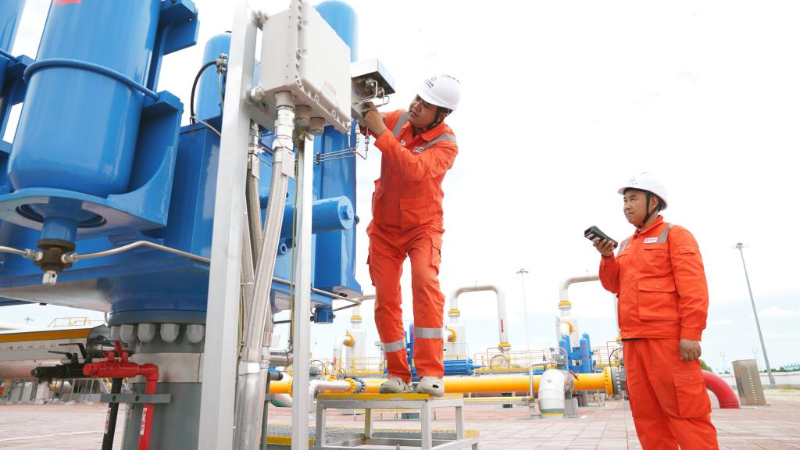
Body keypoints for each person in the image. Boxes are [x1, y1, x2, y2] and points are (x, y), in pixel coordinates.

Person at [592, 172, 719, 449]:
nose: (627, 206)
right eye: (625, 200)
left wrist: (691, 333)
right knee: (647, 417)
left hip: (667, 342)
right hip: (633, 342)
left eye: (633, 199)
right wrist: (607, 256)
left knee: (687, 414)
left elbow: (694, 287)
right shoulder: (625, 244)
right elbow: (614, 285)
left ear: (654, 202)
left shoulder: (676, 235)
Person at [361, 74, 461, 396]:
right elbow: (364, 120)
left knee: (424, 282)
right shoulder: (398, 119)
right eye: (417, 98)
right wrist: (360, 108)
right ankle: (398, 375)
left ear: (441, 114)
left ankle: (430, 373)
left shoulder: (446, 144)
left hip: (423, 227)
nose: (416, 106)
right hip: (384, 228)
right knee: (386, 297)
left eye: (426, 104)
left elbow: (414, 169)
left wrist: (380, 131)